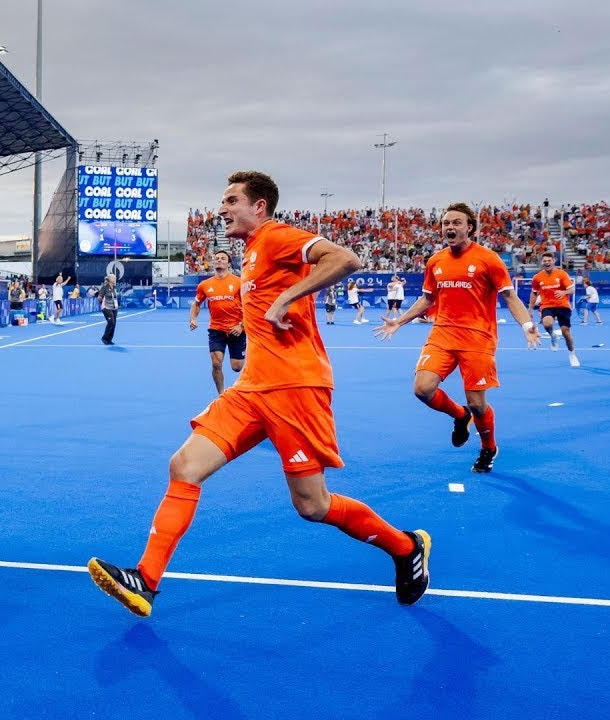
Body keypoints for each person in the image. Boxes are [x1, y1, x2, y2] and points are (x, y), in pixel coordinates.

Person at [88, 170, 430, 618]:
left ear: (259, 206)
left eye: (231, 200)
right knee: (184, 466)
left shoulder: (275, 236)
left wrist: (286, 297)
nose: (222, 209)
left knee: (313, 505)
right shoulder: (249, 253)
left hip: (295, 387)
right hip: (251, 388)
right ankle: (145, 581)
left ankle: (406, 547)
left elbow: (346, 259)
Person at [375, 202, 540, 473]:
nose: (449, 227)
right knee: (422, 389)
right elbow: (428, 299)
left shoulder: (488, 259)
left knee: (478, 404)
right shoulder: (435, 261)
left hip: (478, 339)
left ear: (469, 228)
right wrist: (399, 321)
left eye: (456, 222)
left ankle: (488, 447)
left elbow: (510, 296)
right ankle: (459, 415)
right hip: (442, 335)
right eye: (446, 223)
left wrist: (527, 324)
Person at [189, 249, 245, 394]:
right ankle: (221, 395)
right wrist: (193, 319)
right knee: (216, 363)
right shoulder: (204, 285)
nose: (219, 260)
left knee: (237, 367)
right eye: (217, 258)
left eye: (223, 258)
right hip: (216, 329)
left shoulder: (239, 282)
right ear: (213, 262)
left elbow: (250, 306)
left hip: (236, 329)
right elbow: (196, 304)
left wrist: (241, 325)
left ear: (229, 264)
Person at [529, 252, 579, 366]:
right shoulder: (537, 277)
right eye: (544, 261)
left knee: (566, 332)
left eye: (549, 260)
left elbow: (572, 290)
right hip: (547, 305)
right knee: (547, 324)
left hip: (563, 305)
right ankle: (553, 336)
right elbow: (534, 293)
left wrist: (564, 292)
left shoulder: (562, 274)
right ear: (542, 262)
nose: (547, 262)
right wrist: (530, 309)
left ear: (553, 261)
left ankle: (572, 354)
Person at [97, 273, 119, 345]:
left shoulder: (114, 287)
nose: (115, 279)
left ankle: (109, 339)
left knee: (114, 323)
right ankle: (104, 338)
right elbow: (99, 297)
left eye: (115, 278)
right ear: (110, 279)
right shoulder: (105, 287)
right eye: (114, 278)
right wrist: (103, 304)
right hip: (106, 308)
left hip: (114, 308)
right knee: (111, 322)